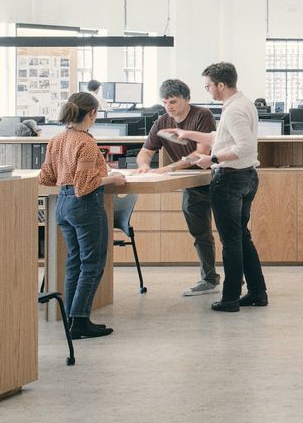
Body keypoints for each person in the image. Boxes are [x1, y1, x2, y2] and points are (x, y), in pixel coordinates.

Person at [171, 62, 267, 313]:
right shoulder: (241, 104)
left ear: (221, 85)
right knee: (242, 238)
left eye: (209, 86)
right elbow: (222, 138)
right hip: (246, 177)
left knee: (232, 241)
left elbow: (245, 147)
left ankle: (230, 299)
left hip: (230, 180)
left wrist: (211, 160)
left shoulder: (234, 110)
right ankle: (257, 293)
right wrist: (187, 134)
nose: (208, 91)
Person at [37, 91, 128, 339]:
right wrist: (113, 178)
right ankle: (80, 321)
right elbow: (85, 185)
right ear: (92, 113)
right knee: (93, 264)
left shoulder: (56, 140)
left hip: (63, 206)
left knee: (74, 262)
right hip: (85, 206)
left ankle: (72, 319)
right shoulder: (86, 143)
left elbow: (46, 177)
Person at [135, 78, 220, 297]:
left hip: (215, 178)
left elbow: (201, 152)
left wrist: (169, 168)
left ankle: (237, 280)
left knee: (230, 232)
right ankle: (209, 279)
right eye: (165, 102)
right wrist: (144, 166)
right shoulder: (162, 121)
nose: (168, 106)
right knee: (200, 232)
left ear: (186, 99)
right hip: (190, 183)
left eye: (173, 101)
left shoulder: (202, 115)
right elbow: (145, 152)